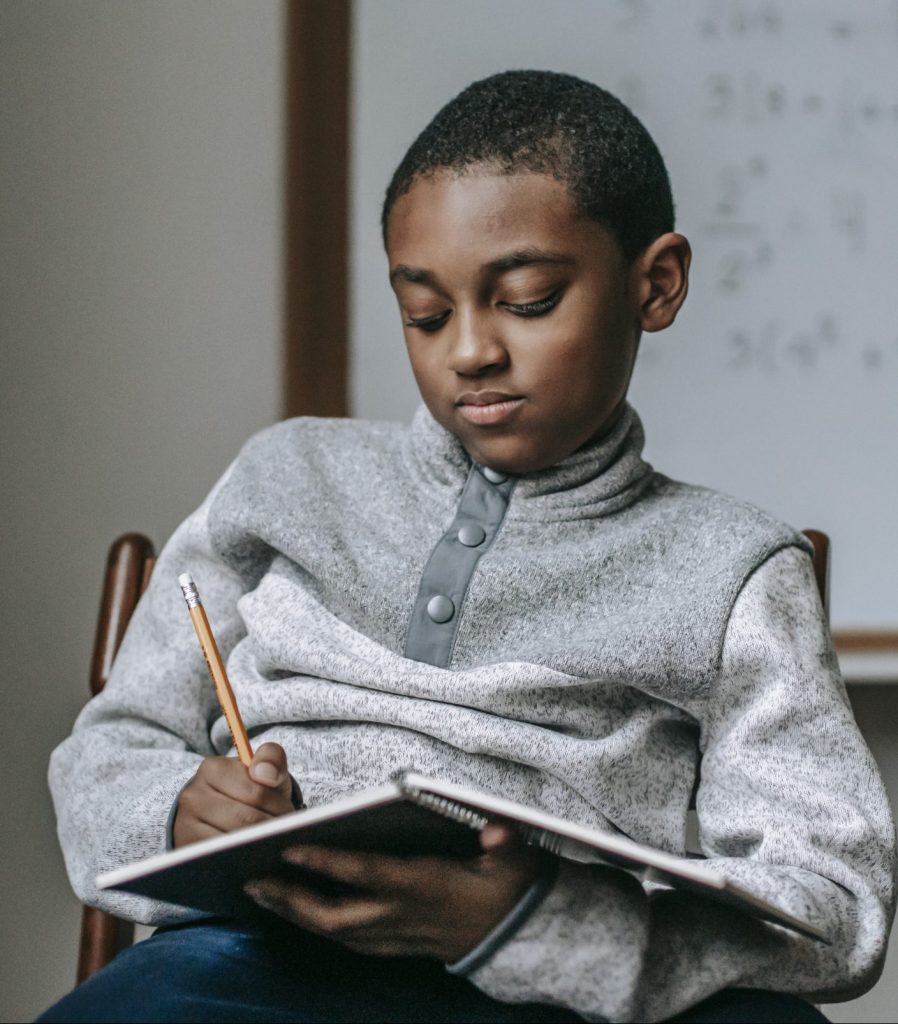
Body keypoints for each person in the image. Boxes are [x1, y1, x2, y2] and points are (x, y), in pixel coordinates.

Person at [40, 70, 894, 1024]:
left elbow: (837, 903)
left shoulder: (733, 566)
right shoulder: (285, 478)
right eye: (426, 313)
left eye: (526, 301)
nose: (470, 352)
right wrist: (179, 815)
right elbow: (111, 751)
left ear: (654, 284)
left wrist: (536, 921)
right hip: (247, 964)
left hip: (552, 994)